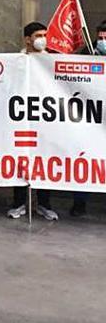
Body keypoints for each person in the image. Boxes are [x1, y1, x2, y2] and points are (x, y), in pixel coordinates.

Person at [7, 21, 58, 221]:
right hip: (21, 119)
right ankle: (19, 203)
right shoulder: (17, 60)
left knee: (44, 160)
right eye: (38, 36)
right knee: (20, 161)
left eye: (45, 35)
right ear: (28, 39)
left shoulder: (50, 61)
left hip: (44, 120)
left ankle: (44, 204)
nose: (42, 40)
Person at [70, 21, 106, 217]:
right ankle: (79, 203)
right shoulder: (88, 52)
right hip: (90, 119)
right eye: (100, 38)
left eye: (105, 39)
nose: (102, 42)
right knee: (85, 161)